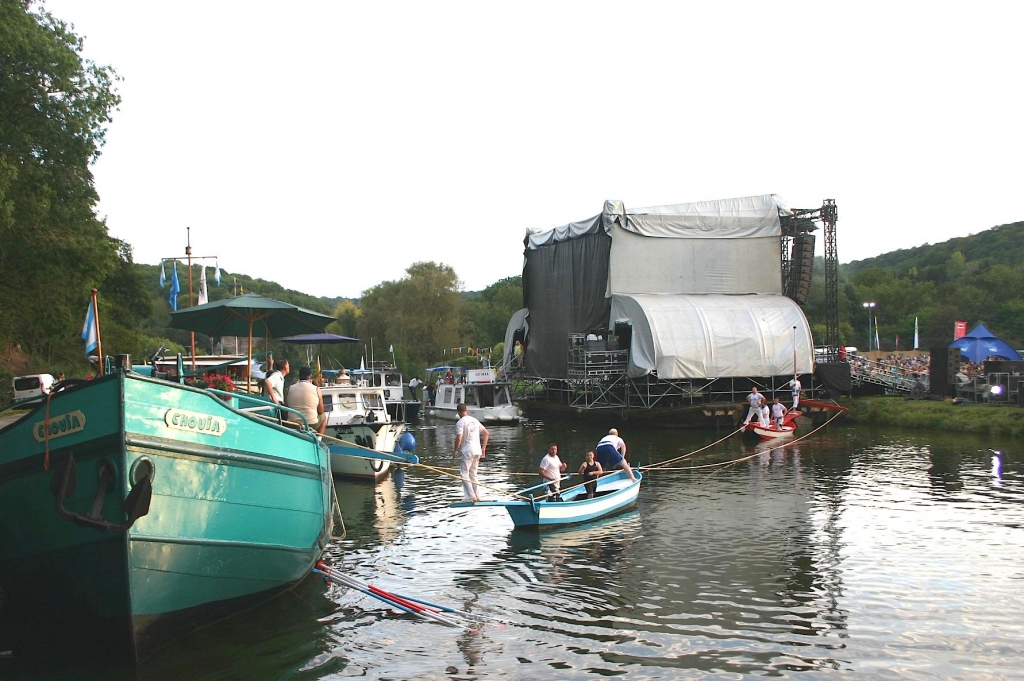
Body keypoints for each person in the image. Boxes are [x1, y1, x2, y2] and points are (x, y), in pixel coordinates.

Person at [453, 403, 489, 503]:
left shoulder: (460, 422)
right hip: (477, 450)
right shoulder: (474, 420)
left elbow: (459, 437)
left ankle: (471, 497)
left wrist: (455, 450)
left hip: (468, 451)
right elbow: (486, 433)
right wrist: (483, 449)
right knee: (473, 474)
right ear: (466, 410)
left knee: (464, 474)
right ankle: (477, 496)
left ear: (459, 412)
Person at [285, 366, 326, 434]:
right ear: (310, 376)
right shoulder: (316, 389)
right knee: (324, 418)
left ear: (299, 375)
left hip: (293, 423)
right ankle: (319, 438)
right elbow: (321, 411)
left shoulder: (289, 388)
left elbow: (286, 406)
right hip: (311, 423)